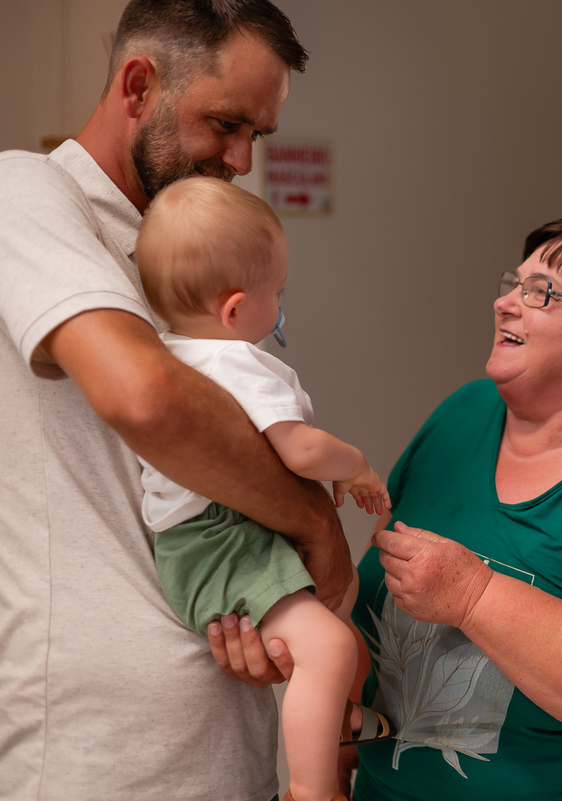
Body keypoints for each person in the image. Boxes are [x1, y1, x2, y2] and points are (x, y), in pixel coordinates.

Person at [217, 217, 562, 798]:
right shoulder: (464, 413)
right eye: (512, 284)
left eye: (542, 293)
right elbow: (382, 597)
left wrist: (475, 595)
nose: (505, 303)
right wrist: (327, 701)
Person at [0, 2, 355, 800]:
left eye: (257, 133)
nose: (242, 159)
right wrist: (314, 521)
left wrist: (271, 604)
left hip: (228, 747)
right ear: (138, 86)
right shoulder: (25, 192)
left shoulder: (191, 241)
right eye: (225, 123)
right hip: (99, 764)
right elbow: (146, 398)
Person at [135, 176, 392, 801]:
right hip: (220, 542)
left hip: (202, 543)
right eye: (277, 292)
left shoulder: (168, 353)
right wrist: (355, 463)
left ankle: (340, 718)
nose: (280, 303)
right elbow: (301, 451)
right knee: (330, 647)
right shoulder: (235, 362)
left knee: (341, 610)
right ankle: (312, 788)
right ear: (233, 310)